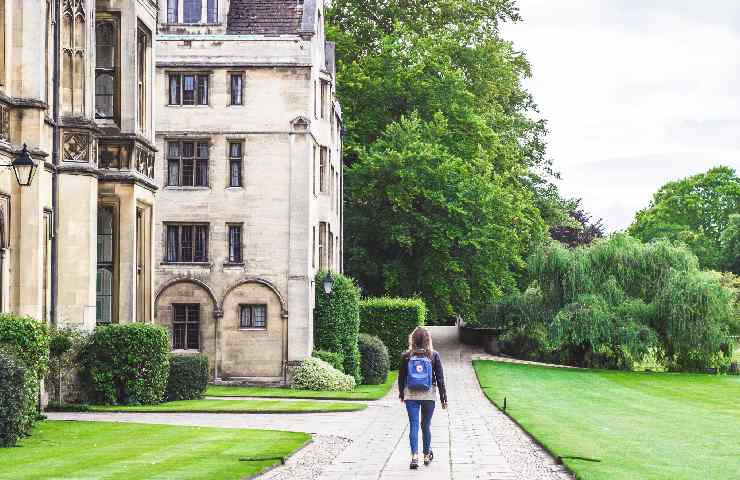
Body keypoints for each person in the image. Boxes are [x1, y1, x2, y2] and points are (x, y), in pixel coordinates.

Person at [398, 326, 447, 470]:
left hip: (411, 395)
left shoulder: (407, 356)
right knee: (425, 425)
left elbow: (401, 378)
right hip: (429, 395)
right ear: (428, 340)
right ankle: (426, 455)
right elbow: (440, 379)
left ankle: (414, 457)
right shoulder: (434, 355)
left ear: (412, 339)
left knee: (413, 425)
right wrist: (444, 398)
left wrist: (402, 393)